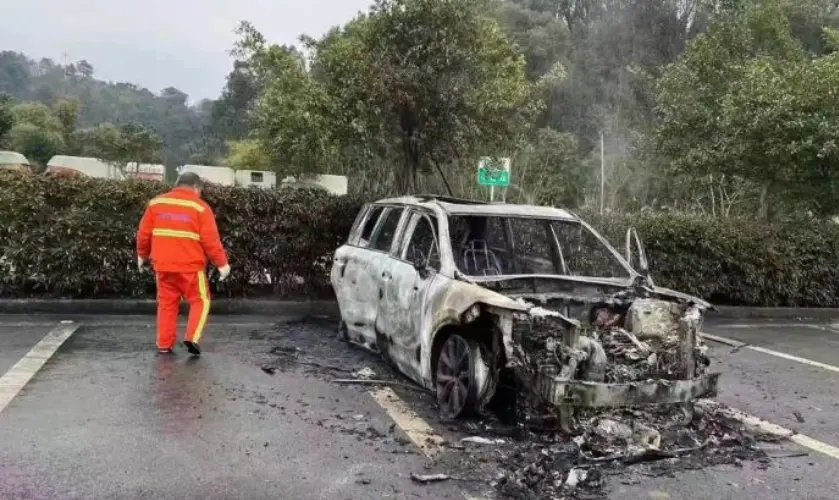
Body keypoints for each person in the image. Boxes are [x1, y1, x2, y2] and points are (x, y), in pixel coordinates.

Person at [136, 172, 230, 356]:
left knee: (166, 304)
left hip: (162, 266)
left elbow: (144, 234)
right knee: (200, 301)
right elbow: (210, 240)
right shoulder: (201, 208)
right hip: (191, 268)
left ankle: (164, 344)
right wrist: (222, 264)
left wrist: (141, 255)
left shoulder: (156, 204)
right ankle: (192, 337)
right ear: (196, 187)